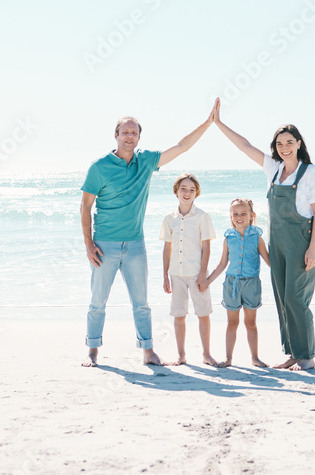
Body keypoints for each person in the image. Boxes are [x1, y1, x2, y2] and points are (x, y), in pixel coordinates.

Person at [80, 110, 214, 367]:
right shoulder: (99, 167)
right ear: (116, 135)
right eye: (125, 132)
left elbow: (182, 147)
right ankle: (92, 351)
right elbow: (85, 206)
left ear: (139, 137)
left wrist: (208, 123)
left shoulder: (147, 162)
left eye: (134, 132)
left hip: (135, 245)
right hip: (104, 245)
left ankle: (148, 351)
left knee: (141, 303)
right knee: (98, 302)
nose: (129, 136)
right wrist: (88, 244)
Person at [212, 100, 315, 371]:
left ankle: (307, 355)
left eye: (289, 142)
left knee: (296, 298)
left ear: (299, 143)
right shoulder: (273, 170)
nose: (284, 147)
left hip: (300, 243)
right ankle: (294, 352)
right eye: (279, 144)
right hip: (278, 245)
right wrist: (218, 123)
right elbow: (245, 146)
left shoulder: (310, 173)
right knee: (283, 298)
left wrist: (313, 248)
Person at [160, 173, 217, 366]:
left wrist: (203, 274)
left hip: (196, 274)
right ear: (176, 191)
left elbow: (207, 247)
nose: (187, 192)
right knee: (178, 315)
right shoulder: (169, 218)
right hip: (176, 274)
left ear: (196, 193)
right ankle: (181, 355)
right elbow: (167, 248)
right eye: (183, 188)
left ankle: (207, 354)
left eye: (192, 190)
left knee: (203, 314)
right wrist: (165, 276)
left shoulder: (202, 217)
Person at [206, 198, 270, 368]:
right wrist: (208, 281)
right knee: (232, 323)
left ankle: (255, 358)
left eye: (243, 213)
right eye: (235, 214)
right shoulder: (228, 238)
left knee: (251, 323)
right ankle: (228, 358)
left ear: (251, 215)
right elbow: (222, 264)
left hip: (251, 284)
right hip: (231, 284)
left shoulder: (257, 237)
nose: (239, 217)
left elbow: (269, 261)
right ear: (231, 216)